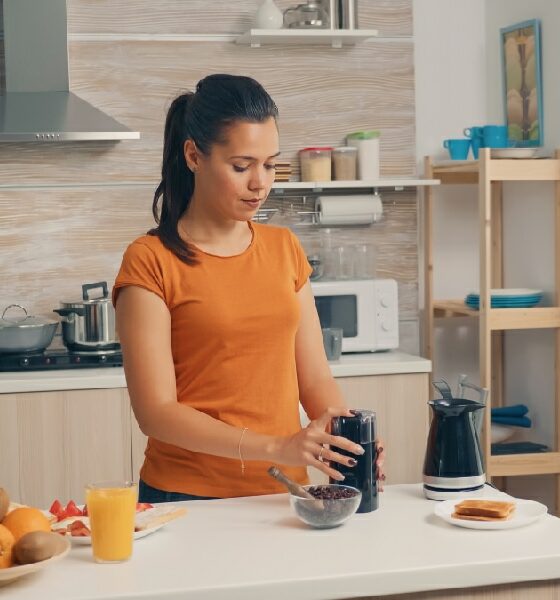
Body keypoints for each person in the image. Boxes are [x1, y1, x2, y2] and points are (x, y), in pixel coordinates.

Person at [113, 73, 385, 502]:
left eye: (270, 164)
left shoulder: (284, 249)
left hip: (285, 493)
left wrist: (345, 439)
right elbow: (156, 413)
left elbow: (314, 379)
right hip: (185, 498)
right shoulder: (150, 260)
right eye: (241, 166)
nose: (260, 182)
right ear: (193, 156)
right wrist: (276, 446)